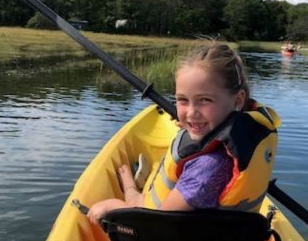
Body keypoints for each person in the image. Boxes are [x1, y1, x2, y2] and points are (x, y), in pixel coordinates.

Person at [87, 42, 256, 224]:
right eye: (183, 100)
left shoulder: (207, 170)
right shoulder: (244, 134)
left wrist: (112, 206)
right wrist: (197, 128)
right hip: (207, 238)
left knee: (126, 201)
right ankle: (131, 187)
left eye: (205, 100)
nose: (191, 113)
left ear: (238, 100)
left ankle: (130, 187)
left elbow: (154, 223)